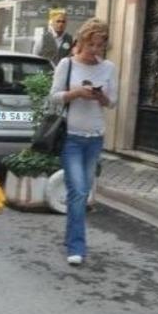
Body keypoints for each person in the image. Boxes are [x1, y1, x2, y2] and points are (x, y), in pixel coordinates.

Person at [49, 18, 117, 267]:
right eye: (91, 46)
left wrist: (101, 97)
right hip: (72, 138)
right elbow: (53, 97)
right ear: (81, 42)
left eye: (100, 46)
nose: (95, 51)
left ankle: (70, 238)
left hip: (95, 137)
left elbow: (114, 102)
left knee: (82, 193)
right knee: (77, 192)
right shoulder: (67, 65)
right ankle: (77, 246)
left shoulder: (108, 67)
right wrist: (76, 93)